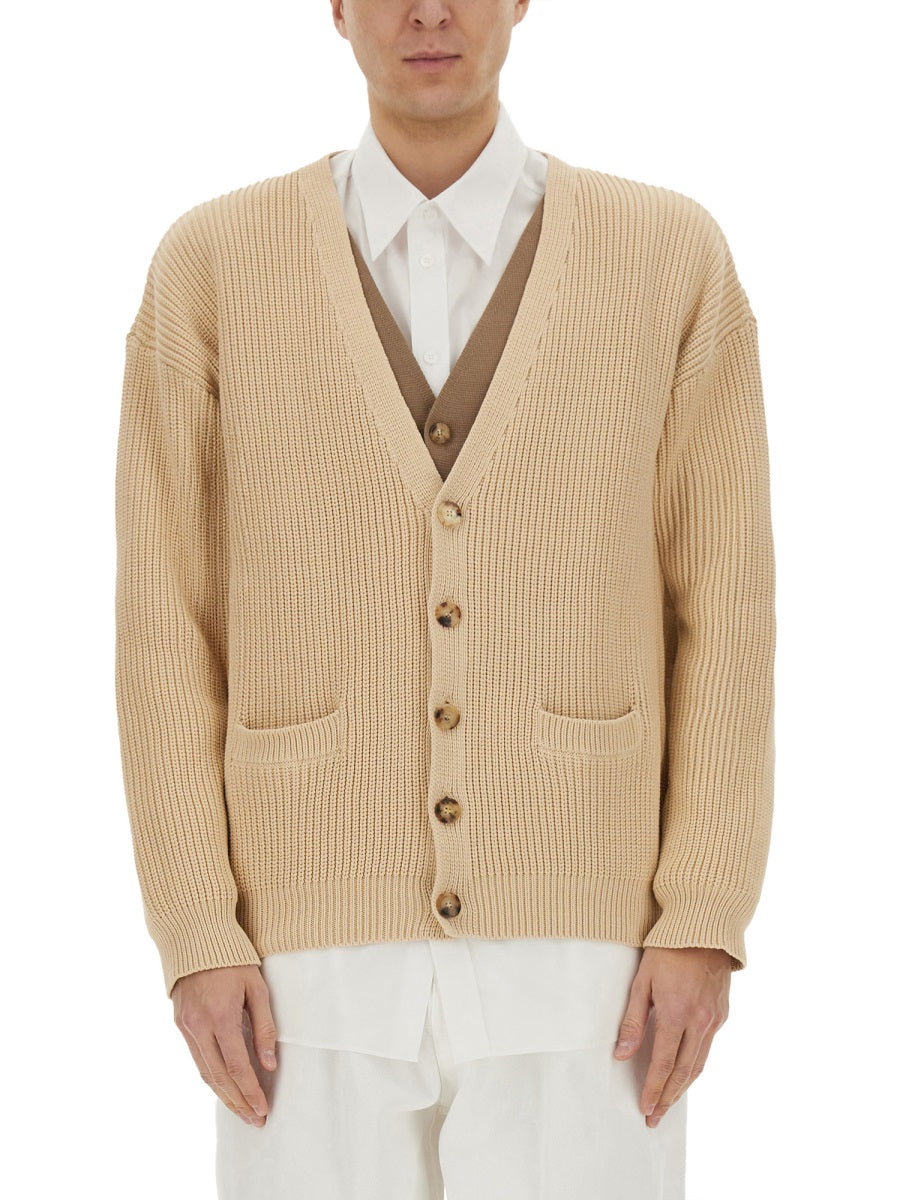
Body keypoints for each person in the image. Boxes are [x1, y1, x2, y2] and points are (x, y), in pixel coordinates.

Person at [113, 2, 776, 1197]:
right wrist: (194, 926)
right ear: (335, 6)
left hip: (591, 965)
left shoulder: (668, 258)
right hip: (300, 969)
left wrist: (703, 912)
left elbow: (728, 607)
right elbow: (164, 617)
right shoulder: (211, 266)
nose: (429, 10)